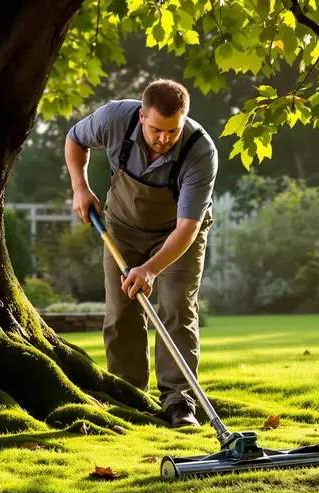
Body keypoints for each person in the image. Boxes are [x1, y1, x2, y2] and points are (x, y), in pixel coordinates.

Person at [64, 79, 217, 428]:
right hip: (122, 228)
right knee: (121, 311)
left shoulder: (200, 151)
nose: (164, 139)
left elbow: (187, 228)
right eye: (156, 130)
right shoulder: (115, 118)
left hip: (177, 234)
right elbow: (75, 139)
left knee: (177, 307)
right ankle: (128, 394)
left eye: (173, 131)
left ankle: (179, 400)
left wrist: (149, 269)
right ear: (141, 115)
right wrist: (80, 187)